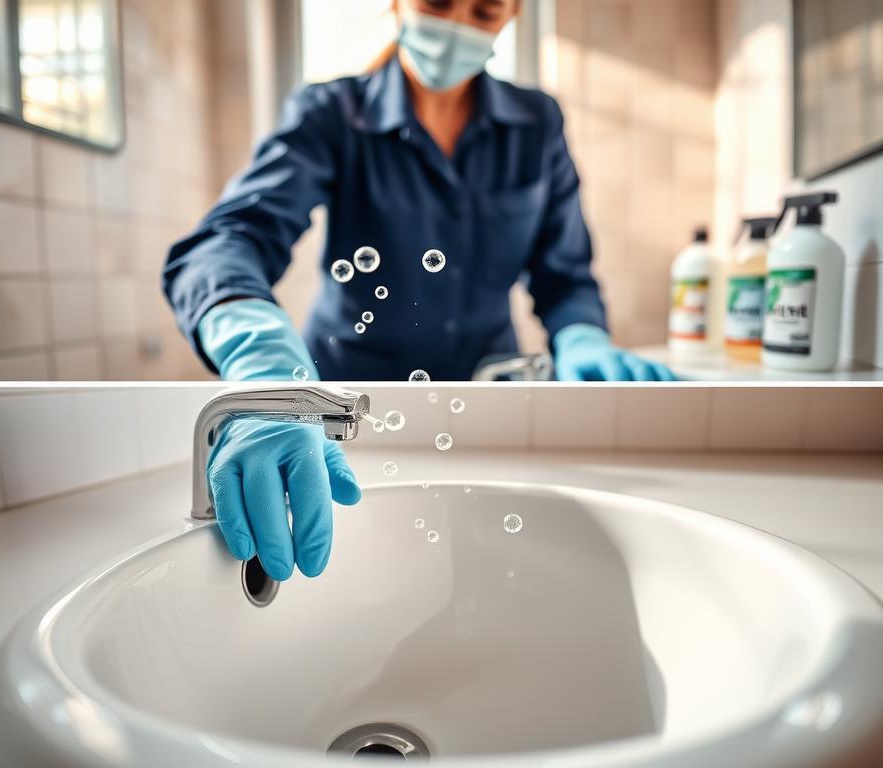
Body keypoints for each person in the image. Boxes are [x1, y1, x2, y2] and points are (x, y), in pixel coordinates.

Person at [164, 0, 676, 580]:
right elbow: (227, 241)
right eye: (437, 3)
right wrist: (263, 368)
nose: (456, 26)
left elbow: (564, 275)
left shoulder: (537, 124)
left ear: (510, 18)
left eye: (483, 11)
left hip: (489, 416)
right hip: (336, 423)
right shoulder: (333, 113)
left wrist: (582, 336)